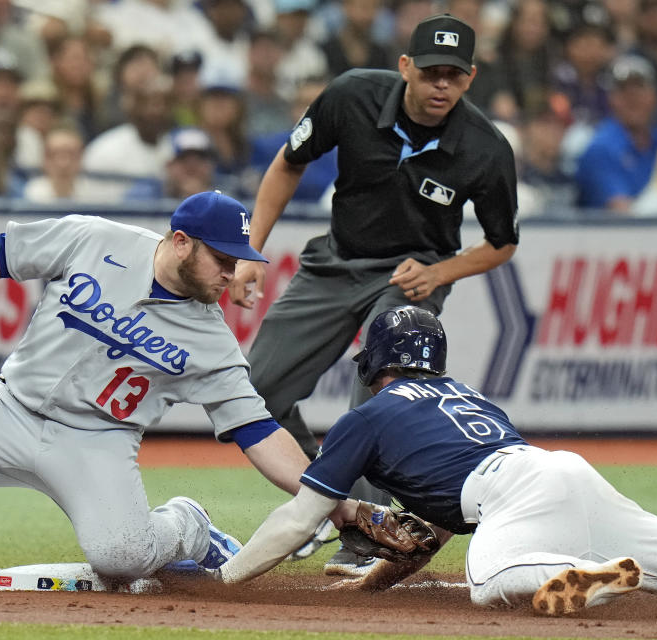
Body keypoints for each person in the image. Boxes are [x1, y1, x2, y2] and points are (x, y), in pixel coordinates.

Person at [216, 305, 657, 616]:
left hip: (513, 496)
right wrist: (377, 579)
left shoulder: (366, 417)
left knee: (487, 581)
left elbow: (300, 519)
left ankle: (580, 572)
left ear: (375, 364)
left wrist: (227, 583)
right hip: (559, 471)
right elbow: (437, 525)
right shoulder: (469, 397)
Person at [0, 191, 315, 587]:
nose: (230, 272)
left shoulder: (211, 340)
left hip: (96, 441)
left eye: (235, 261)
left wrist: (323, 493)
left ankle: (188, 526)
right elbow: (1, 255)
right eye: (221, 258)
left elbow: (256, 430)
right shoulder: (97, 239)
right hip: (9, 406)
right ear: (181, 242)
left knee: (121, 559)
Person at [228, 13, 519, 576]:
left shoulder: (485, 147)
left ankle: (370, 537)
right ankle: (340, 504)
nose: (441, 85)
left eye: (453, 76)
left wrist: (442, 273)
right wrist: (250, 250)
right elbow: (288, 165)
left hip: (411, 279)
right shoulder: (351, 96)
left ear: (470, 78)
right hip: (334, 262)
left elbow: (502, 244)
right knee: (256, 390)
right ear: (404, 66)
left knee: (380, 397)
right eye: (430, 71)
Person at [575, 54, 657, 212]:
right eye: (623, 90)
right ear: (611, 98)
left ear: (654, 96)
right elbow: (622, 212)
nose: (633, 98)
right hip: (609, 235)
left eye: (640, 88)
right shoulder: (600, 149)